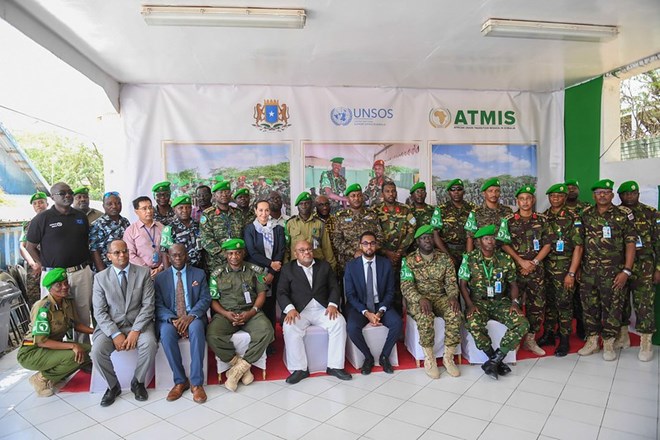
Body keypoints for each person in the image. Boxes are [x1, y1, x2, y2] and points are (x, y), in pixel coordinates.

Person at [91, 239, 157, 406]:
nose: (122, 255)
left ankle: (138, 381)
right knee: (97, 351)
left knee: (150, 344)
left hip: (139, 324)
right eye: (117, 252)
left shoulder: (143, 273)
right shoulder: (100, 278)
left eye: (125, 251)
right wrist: (115, 333)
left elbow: (148, 305)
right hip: (112, 326)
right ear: (108, 256)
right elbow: (99, 311)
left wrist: (136, 330)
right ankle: (113, 386)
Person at [458, 225, 529, 380]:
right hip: (478, 302)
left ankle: (496, 358)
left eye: (492, 238)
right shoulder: (469, 259)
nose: (490, 241)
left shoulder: (505, 259)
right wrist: (470, 305)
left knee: (522, 323)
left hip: (500, 301)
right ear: (478, 242)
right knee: (473, 324)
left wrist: (515, 303)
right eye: (486, 238)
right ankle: (494, 359)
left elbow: (513, 285)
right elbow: (463, 285)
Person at [26, 182, 93, 344]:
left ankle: (83, 354)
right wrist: (44, 264)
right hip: (53, 275)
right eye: (62, 193)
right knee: (52, 315)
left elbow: (87, 243)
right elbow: (30, 246)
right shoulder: (41, 219)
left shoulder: (81, 217)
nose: (68, 195)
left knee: (82, 314)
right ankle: (56, 353)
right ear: (53, 197)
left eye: (69, 192)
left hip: (80, 273)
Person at [577, 179, 636, 361]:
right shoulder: (585, 215)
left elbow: (631, 243)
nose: (602, 195)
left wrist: (626, 271)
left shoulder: (623, 214)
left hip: (614, 273)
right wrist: (577, 269)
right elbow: (579, 245)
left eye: (606, 192)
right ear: (594, 196)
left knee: (613, 309)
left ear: (611, 194)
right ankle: (593, 342)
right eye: (598, 192)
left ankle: (609, 342)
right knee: (589, 308)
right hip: (589, 273)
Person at [278, 240, 351, 384]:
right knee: (290, 326)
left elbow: (334, 287)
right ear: (295, 254)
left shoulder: (324, 265)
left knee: (339, 322)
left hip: (322, 309)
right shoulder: (288, 269)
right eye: (302, 250)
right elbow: (281, 292)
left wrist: (332, 305)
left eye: (309, 249)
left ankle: (335, 366)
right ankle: (299, 369)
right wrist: (290, 309)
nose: (306, 253)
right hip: (300, 311)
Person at [206, 239, 274, 392]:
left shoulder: (254, 270)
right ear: (225, 255)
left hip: (250, 312)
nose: (234, 256)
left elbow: (262, 294)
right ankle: (240, 365)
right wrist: (226, 314)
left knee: (267, 330)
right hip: (226, 314)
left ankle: (238, 370)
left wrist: (251, 312)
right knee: (212, 334)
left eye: (237, 253)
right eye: (230, 253)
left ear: (243, 253)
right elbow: (213, 300)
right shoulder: (217, 274)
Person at [17, 268, 93, 397]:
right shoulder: (42, 307)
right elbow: (41, 341)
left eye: (65, 283)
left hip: (50, 348)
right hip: (32, 351)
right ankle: (41, 378)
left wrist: (95, 331)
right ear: (49, 288)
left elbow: (74, 324)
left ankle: (55, 374)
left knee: (89, 350)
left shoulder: (67, 302)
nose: (64, 287)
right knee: (74, 356)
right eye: (58, 285)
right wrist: (73, 345)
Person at [401, 225, 461, 379]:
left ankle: (448, 358)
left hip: (440, 297)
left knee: (454, 312)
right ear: (417, 242)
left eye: (430, 237)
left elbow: (451, 282)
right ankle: (430, 359)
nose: (427, 240)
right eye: (423, 238)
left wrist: (453, 296)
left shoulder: (444, 258)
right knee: (425, 316)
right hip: (419, 300)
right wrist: (419, 298)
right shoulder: (409, 261)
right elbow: (406, 286)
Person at [498, 185, 551, 356]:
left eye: (528, 198)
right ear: (517, 201)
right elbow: (504, 244)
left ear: (533, 200)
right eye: (522, 199)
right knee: (514, 305)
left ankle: (530, 340)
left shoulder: (542, 220)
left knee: (536, 306)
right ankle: (515, 339)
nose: (525, 202)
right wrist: (521, 261)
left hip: (536, 271)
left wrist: (533, 262)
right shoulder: (508, 220)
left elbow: (548, 244)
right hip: (515, 270)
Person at [154, 244, 211, 403]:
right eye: (174, 256)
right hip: (170, 318)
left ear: (186, 255)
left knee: (197, 328)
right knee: (165, 333)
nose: (177, 258)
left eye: (180, 255)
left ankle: (196, 383)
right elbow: (157, 305)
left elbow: (205, 298)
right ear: (169, 257)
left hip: (193, 317)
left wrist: (191, 316)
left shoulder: (198, 274)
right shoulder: (160, 278)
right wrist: (173, 320)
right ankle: (180, 381)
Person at [344, 232, 402, 374]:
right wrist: (366, 313)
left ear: (376, 245)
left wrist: (381, 311)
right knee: (351, 327)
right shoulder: (351, 266)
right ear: (360, 246)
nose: (369, 246)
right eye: (365, 243)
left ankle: (384, 356)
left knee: (397, 323)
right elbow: (350, 295)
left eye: (372, 243)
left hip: (380, 304)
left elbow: (390, 291)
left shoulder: (385, 264)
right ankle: (368, 357)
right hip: (360, 306)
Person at [616, 180, 659, 361]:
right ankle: (623, 336)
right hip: (619, 267)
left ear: (638, 195)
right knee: (621, 303)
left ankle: (646, 342)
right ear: (620, 196)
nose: (629, 196)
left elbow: (659, 242)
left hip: (644, 267)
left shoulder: (651, 213)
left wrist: (658, 268)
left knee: (644, 305)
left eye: (633, 193)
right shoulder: (614, 214)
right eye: (626, 194)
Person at [541, 183, 583, 357]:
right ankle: (549, 334)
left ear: (565, 197)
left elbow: (579, 247)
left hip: (564, 267)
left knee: (564, 304)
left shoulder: (573, 217)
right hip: (545, 266)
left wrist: (572, 272)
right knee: (549, 303)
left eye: (559, 196)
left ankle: (564, 340)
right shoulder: (543, 217)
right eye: (552, 196)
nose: (555, 199)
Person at [373, 181, 416, 314]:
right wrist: (387, 252)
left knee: (401, 289)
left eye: (393, 191)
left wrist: (399, 252)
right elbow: (372, 234)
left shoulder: (405, 209)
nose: (391, 194)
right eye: (388, 191)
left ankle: (399, 321)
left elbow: (412, 229)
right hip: (382, 257)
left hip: (401, 257)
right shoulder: (375, 210)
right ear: (382, 193)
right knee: (383, 288)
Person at [244, 200, 286, 333]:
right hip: (256, 273)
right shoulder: (250, 229)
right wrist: (269, 264)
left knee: (270, 305)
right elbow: (252, 252)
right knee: (256, 304)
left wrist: (272, 272)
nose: (264, 213)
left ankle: (271, 339)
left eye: (267, 210)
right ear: (255, 211)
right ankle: (259, 337)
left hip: (274, 273)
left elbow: (281, 251)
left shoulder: (278, 228)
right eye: (260, 210)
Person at [331, 183, 384, 273]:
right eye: (353, 196)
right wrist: (354, 252)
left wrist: (368, 250)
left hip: (370, 261)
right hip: (348, 262)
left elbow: (380, 237)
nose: (356, 198)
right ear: (348, 198)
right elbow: (337, 240)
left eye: (359, 195)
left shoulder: (372, 214)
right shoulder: (340, 217)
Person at [200, 180, 243, 275]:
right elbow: (206, 240)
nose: (224, 195)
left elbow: (243, 235)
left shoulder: (238, 213)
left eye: (227, 192)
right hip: (217, 264)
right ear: (214, 196)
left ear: (230, 194)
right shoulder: (208, 214)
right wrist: (226, 255)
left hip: (238, 261)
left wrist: (238, 255)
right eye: (221, 192)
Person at [286, 191, 337, 271]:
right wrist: (287, 267)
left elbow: (326, 247)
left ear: (312, 205)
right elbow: (286, 248)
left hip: (317, 265)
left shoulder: (319, 223)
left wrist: (332, 267)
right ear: (297, 206)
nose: (304, 206)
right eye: (301, 204)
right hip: (296, 266)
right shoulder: (290, 223)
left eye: (307, 203)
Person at [433, 179, 475, 269]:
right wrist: (448, 256)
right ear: (449, 192)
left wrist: (468, 256)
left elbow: (474, 233)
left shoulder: (472, 209)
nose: (456, 192)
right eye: (453, 189)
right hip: (446, 250)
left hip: (468, 250)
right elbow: (435, 234)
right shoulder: (440, 209)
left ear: (463, 192)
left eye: (459, 189)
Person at [464, 178, 513, 252]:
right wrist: (468, 258)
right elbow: (470, 237)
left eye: (497, 191)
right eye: (490, 191)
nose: (494, 194)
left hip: (502, 256)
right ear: (484, 193)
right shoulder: (476, 212)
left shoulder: (507, 211)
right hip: (481, 256)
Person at [123, 196, 164, 278]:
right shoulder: (131, 231)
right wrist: (147, 270)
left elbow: (168, 250)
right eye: (144, 208)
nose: (148, 211)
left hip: (162, 271)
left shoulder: (161, 227)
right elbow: (130, 254)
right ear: (136, 211)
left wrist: (161, 267)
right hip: (140, 273)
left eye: (150, 207)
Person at [19, 192, 49, 307]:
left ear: (47, 203)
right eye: (35, 203)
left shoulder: (54, 222)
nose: (38, 205)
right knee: (35, 300)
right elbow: (23, 247)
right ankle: (36, 323)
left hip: (51, 265)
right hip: (35, 268)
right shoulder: (28, 225)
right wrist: (34, 264)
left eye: (41, 202)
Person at [89, 191, 130, 272]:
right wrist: (103, 273)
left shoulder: (125, 222)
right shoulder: (97, 225)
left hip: (125, 266)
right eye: (109, 204)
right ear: (103, 206)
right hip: (107, 268)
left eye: (117, 203)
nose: (114, 206)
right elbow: (94, 251)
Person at [160, 195, 202, 269]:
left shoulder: (198, 225)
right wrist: (168, 275)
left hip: (200, 268)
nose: (185, 210)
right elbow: (165, 253)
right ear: (174, 210)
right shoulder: (169, 229)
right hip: (181, 270)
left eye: (188, 207)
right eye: (181, 208)